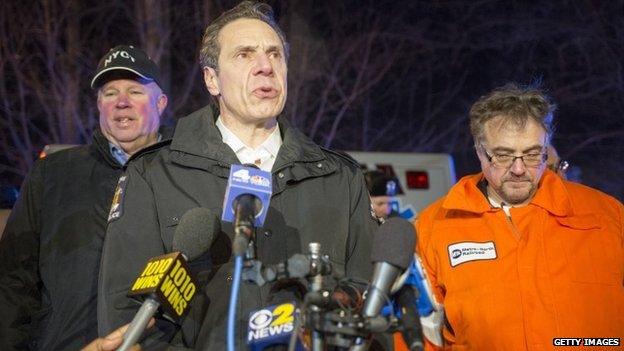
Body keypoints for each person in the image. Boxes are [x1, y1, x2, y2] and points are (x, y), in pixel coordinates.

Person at [98, 2, 376, 350]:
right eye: (244, 55)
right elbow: (126, 312)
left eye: (274, 54)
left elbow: (369, 298)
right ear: (211, 79)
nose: (265, 67)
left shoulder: (340, 177)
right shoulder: (153, 174)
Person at [416, 83, 624, 350]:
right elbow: (420, 333)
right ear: (480, 151)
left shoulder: (607, 216)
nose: (518, 169)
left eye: (532, 154)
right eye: (502, 156)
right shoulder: (436, 225)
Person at [0, 45, 168, 350]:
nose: (121, 103)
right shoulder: (52, 173)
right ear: (99, 105)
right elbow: (13, 281)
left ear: (161, 103)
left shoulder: (184, 170)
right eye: (109, 93)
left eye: (135, 92)